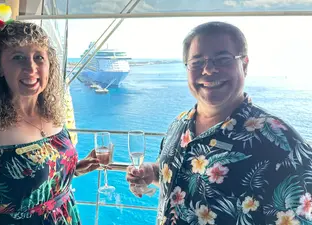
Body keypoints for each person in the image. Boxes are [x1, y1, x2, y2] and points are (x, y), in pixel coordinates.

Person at [126, 21, 312, 225]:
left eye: (222, 59)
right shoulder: (178, 125)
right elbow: (179, 174)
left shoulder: (281, 142)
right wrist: (153, 172)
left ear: (245, 65)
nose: (208, 69)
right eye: (197, 62)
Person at [0, 4, 100, 225]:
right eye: (18, 57)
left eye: (38, 57)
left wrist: (75, 169)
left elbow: (40, 179)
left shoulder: (52, 115)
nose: (31, 67)